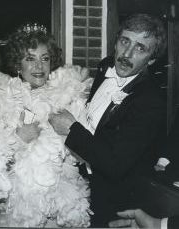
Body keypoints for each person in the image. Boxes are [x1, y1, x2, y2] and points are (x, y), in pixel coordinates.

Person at [48, 14, 167, 227]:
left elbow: (114, 163)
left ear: (152, 59)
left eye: (140, 48)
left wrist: (71, 129)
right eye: (125, 41)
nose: (127, 54)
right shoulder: (105, 67)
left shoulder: (151, 101)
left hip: (115, 204)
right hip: (79, 185)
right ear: (115, 42)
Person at [0, 23, 93, 227]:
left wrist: (69, 133)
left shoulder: (68, 99)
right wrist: (19, 140)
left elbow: (84, 158)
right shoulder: (2, 101)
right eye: (30, 58)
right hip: (19, 210)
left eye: (44, 59)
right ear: (18, 64)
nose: (39, 66)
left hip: (62, 207)